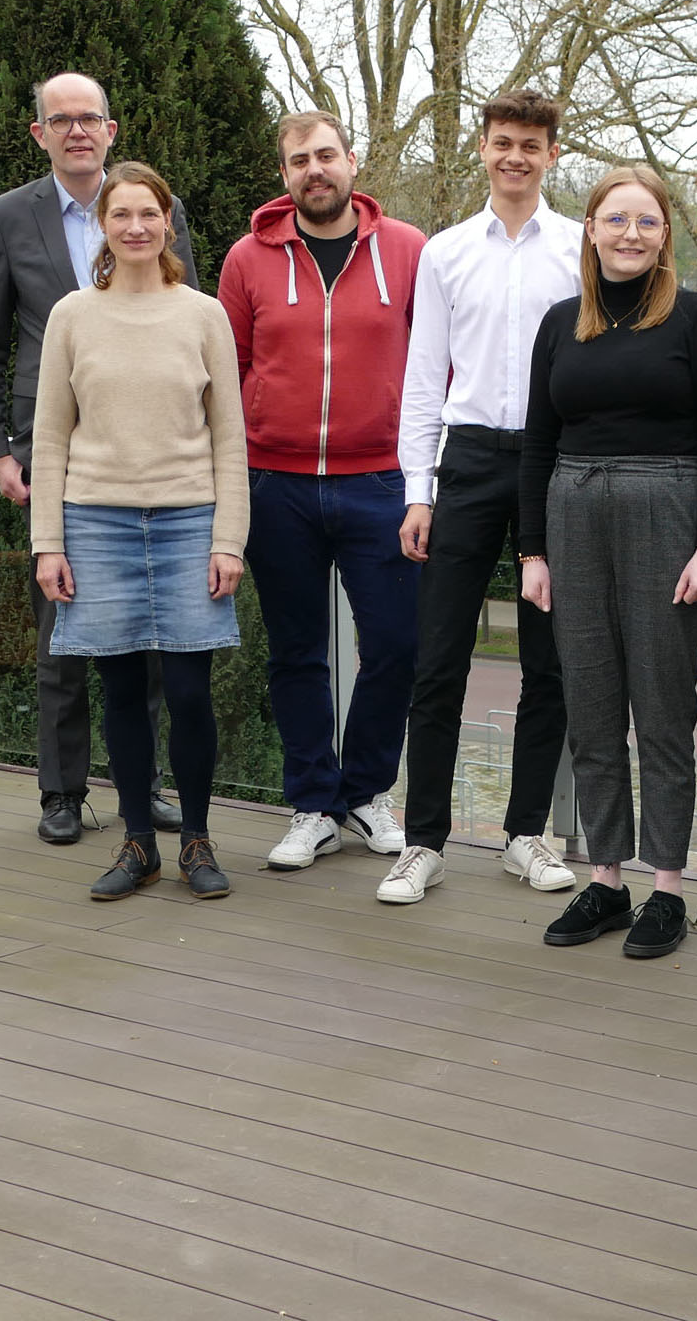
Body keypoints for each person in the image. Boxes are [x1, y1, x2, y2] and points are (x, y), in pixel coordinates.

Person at [518, 166, 697, 959]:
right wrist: (532, 551)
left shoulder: (696, 320)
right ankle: (608, 880)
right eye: (616, 220)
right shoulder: (558, 324)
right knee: (589, 698)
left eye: (646, 222)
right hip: (572, 509)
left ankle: (667, 887)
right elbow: (537, 441)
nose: (631, 234)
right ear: (591, 229)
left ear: (664, 235)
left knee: (660, 701)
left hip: (666, 506)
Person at [0, 72, 185, 846]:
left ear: (112, 129)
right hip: (48, 453)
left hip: (150, 458)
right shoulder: (6, 218)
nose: (77, 130)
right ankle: (60, 793)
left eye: (89, 117)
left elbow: (181, 318)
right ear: (41, 135)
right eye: (62, 120)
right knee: (61, 633)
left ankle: (144, 785)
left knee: (152, 641)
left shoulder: (155, 210)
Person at [216, 112, 428, 896]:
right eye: (299, 159)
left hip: (382, 482)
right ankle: (311, 803)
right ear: (284, 175)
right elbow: (229, 368)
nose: (316, 170)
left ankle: (367, 793)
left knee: (396, 645)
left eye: (327, 156)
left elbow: (434, 363)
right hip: (279, 483)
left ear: (351, 162)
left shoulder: (407, 250)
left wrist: (423, 476)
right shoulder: (247, 259)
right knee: (296, 651)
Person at [29, 162, 246, 901]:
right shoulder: (71, 316)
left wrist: (229, 539)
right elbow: (50, 437)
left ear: (167, 222)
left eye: (147, 214)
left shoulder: (203, 314)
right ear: (103, 226)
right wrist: (47, 543)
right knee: (120, 692)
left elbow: (230, 439)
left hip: (189, 522)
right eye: (119, 214)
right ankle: (136, 844)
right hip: (95, 526)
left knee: (189, 694)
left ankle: (195, 840)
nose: (134, 227)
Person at [396, 91, 580, 902]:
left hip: (555, 460)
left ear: (550, 154)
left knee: (550, 663)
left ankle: (526, 834)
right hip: (466, 461)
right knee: (438, 658)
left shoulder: (581, 248)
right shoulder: (445, 252)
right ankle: (423, 840)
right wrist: (417, 489)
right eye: (503, 141)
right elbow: (421, 378)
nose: (515, 156)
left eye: (530, 145)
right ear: (482, 148)